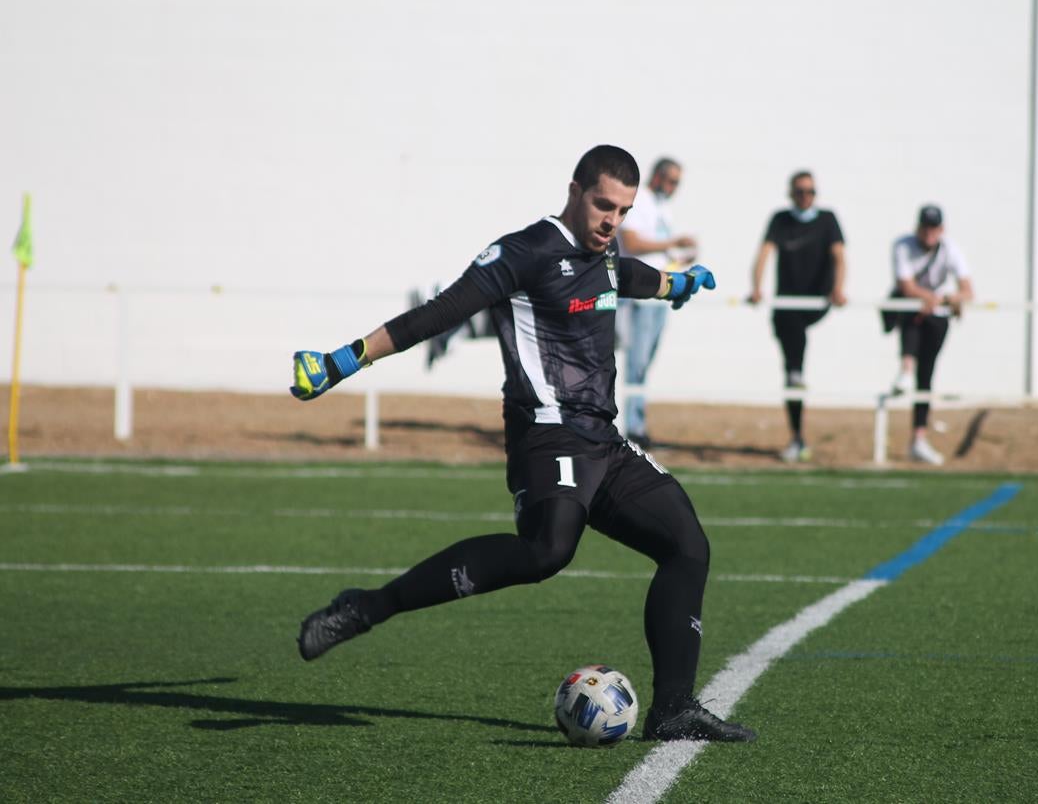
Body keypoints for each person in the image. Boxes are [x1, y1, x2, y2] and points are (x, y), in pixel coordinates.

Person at [288, 145, 755, 743]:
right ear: (574, 190)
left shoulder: (606, 252)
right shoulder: (525, 250)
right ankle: (367, 607)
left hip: (601, 440)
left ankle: (673, 710)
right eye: (603, 205)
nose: (612, 221)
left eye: (624, 210)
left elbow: (625, 276)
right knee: (546, 552)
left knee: (687, 544)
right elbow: (439, 313)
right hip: (545, 431)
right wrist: (343, 360)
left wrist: (677, 283)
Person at [748, 171, 847, 462]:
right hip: (788, 306)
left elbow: (840, 256)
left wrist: (839, 289)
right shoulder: (780, 219)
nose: (805, 196)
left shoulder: (828, 219)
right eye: (800, 192)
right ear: (791, 194)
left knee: (794, 347)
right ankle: (797, 436)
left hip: (817, 300)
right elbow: (764, 253)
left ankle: (795, 373)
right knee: (789, 346)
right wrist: (756, 288)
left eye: (810, 192)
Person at [617, 158, 698, 449]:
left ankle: (637, 424)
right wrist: (672, 243)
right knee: (636, 363)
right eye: (672, 181)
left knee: (644, 364)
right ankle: (631, 429)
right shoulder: (641, 202)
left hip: (659, 295)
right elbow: (633, 244)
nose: (675, 188)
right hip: (640, 295)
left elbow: (657, 253)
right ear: (658, 177)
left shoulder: (662, 207)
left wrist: (677, 260)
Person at [887, 204, 973, 466]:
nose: (929, 233)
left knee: (927, 376)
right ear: (917, 227)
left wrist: (948, 299)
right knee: (913, 316)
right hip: (912, 314)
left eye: (934, 228)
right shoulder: (903, 246)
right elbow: (906, 286)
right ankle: (906, 366)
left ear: (941, 229)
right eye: (925, 227)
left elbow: (968, 290)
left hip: (937, 318)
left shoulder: (950, 249)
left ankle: (919, 438)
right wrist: (935, 299)